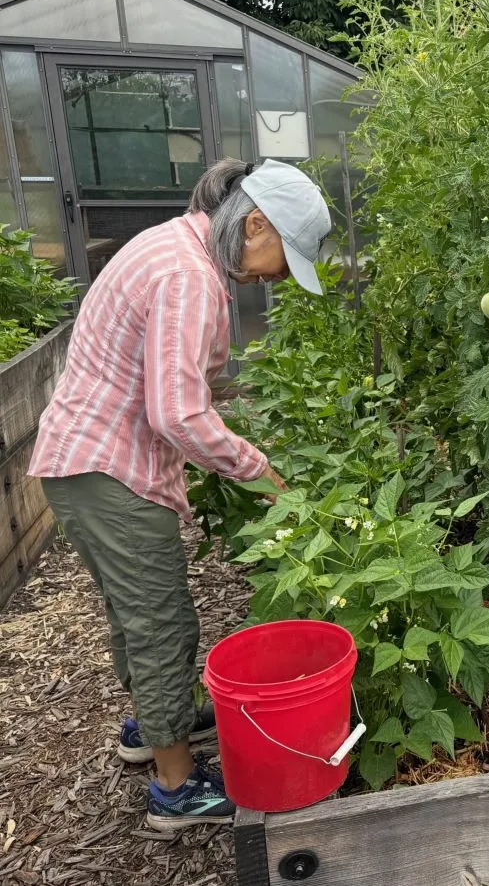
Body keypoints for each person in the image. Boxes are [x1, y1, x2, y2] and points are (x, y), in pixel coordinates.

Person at [29, 159, 332, 830]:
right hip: (110, 470)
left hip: (81, 465)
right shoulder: (189, 276)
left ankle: (149, 728)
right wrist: (256, 469)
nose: (274, 277)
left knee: (134, 613)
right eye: (282, 259)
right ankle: (176, 788)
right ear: (256, 222)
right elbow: (179, 414)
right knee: (163, 624)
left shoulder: (173, 246)